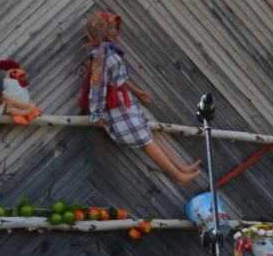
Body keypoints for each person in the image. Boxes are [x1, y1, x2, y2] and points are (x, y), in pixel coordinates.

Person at [78, 10, 201, 186]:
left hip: (125, 102)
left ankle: (180, 167)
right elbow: (97, 87)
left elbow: (119, 79)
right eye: (110, 28)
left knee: (148, 133)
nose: (114, 32)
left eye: (115, 28)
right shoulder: (100, 56)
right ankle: (178, 175)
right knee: (145, 140)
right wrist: (96, 113)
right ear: (100, 31)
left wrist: (137, 92)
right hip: (116, 108)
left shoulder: (109, 51)